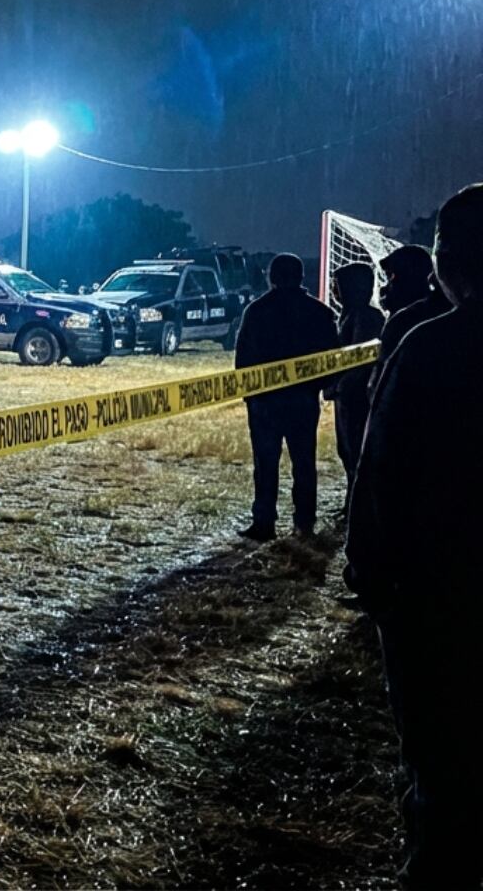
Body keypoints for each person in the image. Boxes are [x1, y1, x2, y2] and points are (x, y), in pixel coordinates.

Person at [346, 183, 483, 887]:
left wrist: (370, 576)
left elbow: (380, 470)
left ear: (447, 264)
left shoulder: (428, 349)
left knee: (443, 778)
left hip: (439, 599)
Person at [232, 253, 339, 541]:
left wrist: (248, 393)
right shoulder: (320, 312)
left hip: (265, 401)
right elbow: (331, 357)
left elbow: (243, 356)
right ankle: (304, 523)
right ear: (301, 277)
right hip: (303, 400)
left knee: (265, 462)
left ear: (272, 276)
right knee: (304, 462)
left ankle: (264, 522)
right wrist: (320, 386)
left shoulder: (257, 311)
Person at [327, 262, 384, 496]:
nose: (333, 290)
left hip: (356, 394)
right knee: (346, 449)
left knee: (355, 448)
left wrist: (340, 385)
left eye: (337, 285)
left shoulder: (366, 316)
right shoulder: (348, 314)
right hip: (344, 394)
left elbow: (360, 359)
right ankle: (351, 498)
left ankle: (357, 500)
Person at [373, 244, 450, 388]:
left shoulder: (404, 321)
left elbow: (379, 388)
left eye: (392, 276)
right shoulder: (443, 313)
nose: (385, 287)